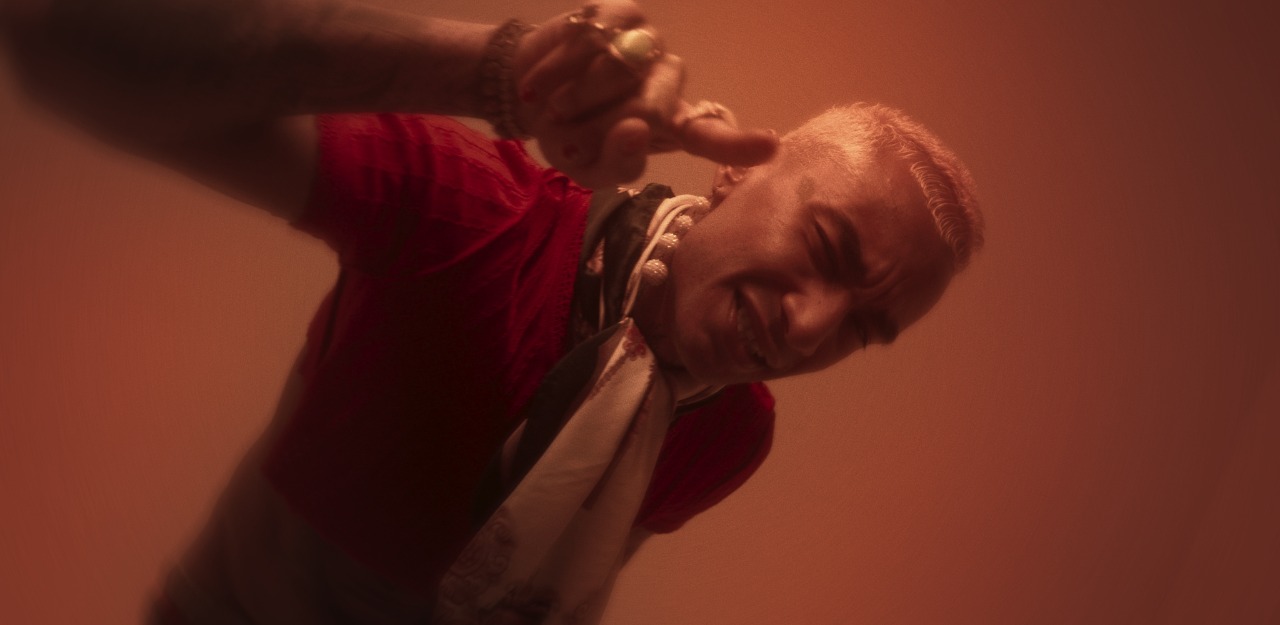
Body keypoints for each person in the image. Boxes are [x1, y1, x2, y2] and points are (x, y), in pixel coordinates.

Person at [0, 1, 983, 624]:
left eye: (863, 328)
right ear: (732, 172)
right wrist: (500, 73)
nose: (812, 330)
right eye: (826, 250)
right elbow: (58, 41)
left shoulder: (730, 435)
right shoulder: (480, 215)